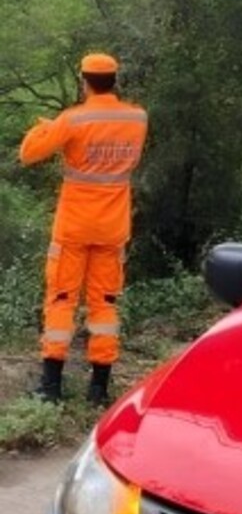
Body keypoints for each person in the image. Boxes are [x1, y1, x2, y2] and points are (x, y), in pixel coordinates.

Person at [18, 53, 148, 405]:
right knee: (104, 304)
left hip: (74, 227)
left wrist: (46, 127)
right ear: (115, 80)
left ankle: (51, 387)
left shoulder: (73, 119)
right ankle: (99, 389)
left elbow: (28, 153)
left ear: (84, 80)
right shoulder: (138, 118)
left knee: (61, 299)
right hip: (112, 227)